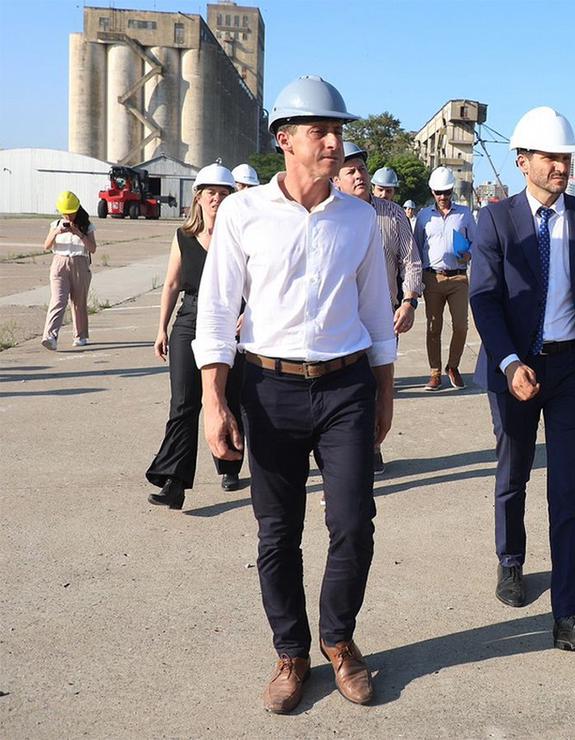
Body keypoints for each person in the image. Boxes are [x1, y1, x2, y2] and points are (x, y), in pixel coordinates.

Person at [194, 75, 395, 713]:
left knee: (354, 523)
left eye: (338, 130)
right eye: (322, 131)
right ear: (285, 140)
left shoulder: (360, 217)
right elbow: (219, 311)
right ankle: (291, 652)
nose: (336, 141)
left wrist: (384, 391)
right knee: (277, 532)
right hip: (268, 387)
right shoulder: (243, 214)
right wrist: (214, 400)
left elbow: (375, 310)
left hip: (345, 386)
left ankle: (339, 641)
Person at [469, 106, 575, 651]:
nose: (562, 167)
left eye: (567, 158)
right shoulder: (495, 220)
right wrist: (510, 363)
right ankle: (511, 560)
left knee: (568, 492)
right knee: (514, 473)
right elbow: (483, 299)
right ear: (522, 161)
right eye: (551, 157)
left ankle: (568, 615)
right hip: (516, 369)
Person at [146, 164, 245, 509]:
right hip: (189, 319)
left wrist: (248, 316)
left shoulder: (239, 236)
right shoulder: (184, 237)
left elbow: (258, 283)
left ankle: (230, 465)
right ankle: (174, 481)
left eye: (223, 194)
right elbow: (172, 283)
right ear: (198, 197)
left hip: (231, 321)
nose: (216, 199)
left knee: (228, 398)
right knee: (183, 404)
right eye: (210, 193)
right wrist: (162, 327)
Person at [334, 141, 422, 474]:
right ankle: (345, 451)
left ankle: (372, 445)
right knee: (341, 387)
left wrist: (410, 301)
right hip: (340, 318)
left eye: (362, 170)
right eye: (350, 171)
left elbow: (411, 261)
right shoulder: (330, 213)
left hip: (383, 316)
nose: (359, 176)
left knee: (376, 382)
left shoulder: (392, 213)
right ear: (337, 179)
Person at [414, 166, 477, 391]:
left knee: (461, 326)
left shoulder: (465, 214)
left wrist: (469, 253)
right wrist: (416, 281)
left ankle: (453, 366)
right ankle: (435, 373)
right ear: (432, 192)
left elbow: (477, 243)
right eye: (439, 192)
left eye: (447, 192)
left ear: (453, 190)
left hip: (458, 278)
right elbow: (416, 247)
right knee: (433, 327)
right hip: (432, 278)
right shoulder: (423, 216)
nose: (443, 197)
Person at [40, 191, 97, 350]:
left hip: (80, 263)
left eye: (71, 213)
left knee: (79, 302)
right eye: (65, 214)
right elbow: (46, 246)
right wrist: (57, 231)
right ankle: (50, 336)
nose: (68, 217)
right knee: (58, 300)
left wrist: (78, 233)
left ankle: (80, 336)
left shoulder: (87, 225)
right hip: (59, 263)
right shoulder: (55, 224)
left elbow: (92, 248)